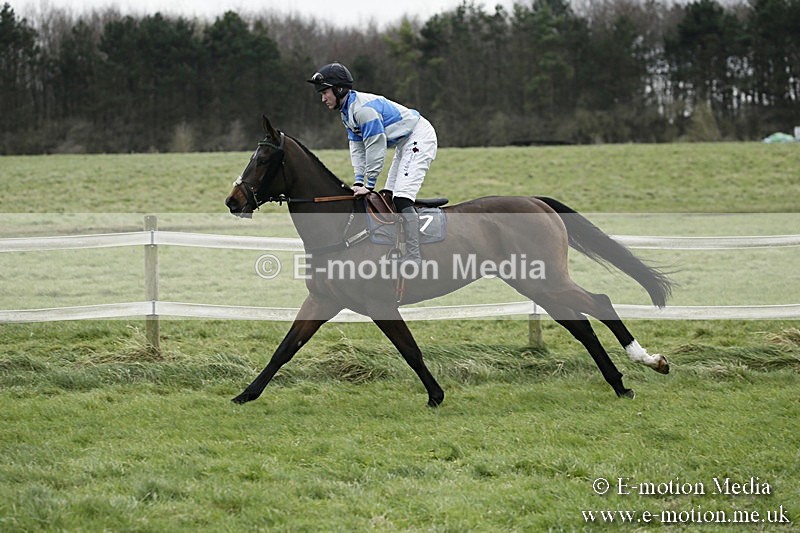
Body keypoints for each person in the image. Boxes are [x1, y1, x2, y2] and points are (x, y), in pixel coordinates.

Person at [307, 62, 437, 266]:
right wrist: (359, 181)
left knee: (402, 199)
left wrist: (369, 185)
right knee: (389, 197)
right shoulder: (347, 112)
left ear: (339, 89)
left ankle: (414, 257)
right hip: (405, 141)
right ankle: (397, 246)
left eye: (325, 92)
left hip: (419, 136)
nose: (323, 98)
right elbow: (357, 148)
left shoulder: (362, 111)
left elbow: (376, 147)